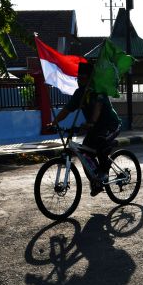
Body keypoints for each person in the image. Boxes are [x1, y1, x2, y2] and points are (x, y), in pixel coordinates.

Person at [49, 62, 122, 194]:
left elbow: (98, 107)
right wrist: (53, 123)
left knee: (101, 143)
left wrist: (91, 122)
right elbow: (67, 110)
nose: (79, 81)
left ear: (90, 78)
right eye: (78, 78)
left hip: (110, 125)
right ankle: (96, 182)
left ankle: (104, 173)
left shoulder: (98, 89)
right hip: (94, 128)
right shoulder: (79, 93)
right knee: (84, 154)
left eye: (83, 78)